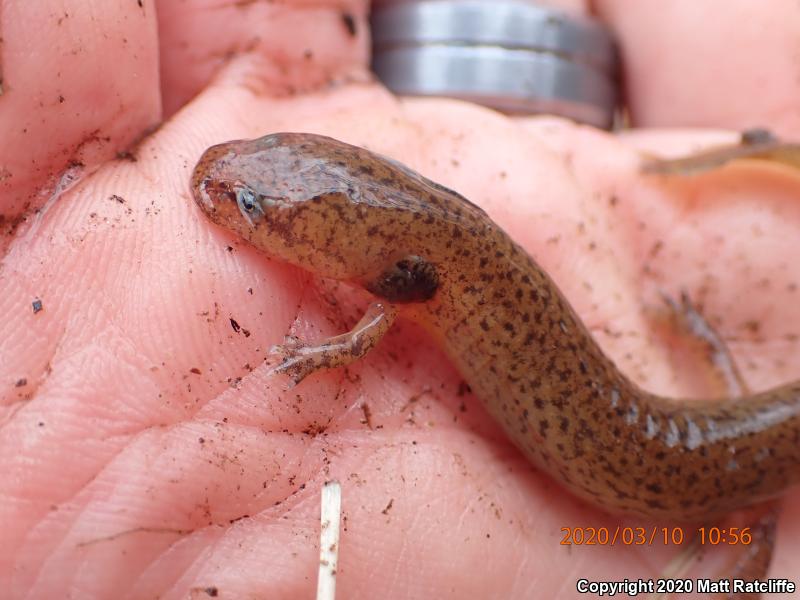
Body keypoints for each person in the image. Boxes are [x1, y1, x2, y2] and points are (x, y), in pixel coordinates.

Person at [2, 1, 799, 597]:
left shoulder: (411, 272)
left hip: (678, 478)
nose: (223, 191)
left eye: (254, 210)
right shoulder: (417, 258)